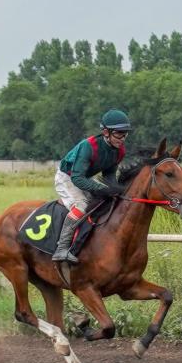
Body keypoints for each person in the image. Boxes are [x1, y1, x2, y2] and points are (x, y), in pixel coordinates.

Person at [51, 109, 132, 263]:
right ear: (106, 132)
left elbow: (109, 175)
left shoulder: (119, 151)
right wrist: (102, 189)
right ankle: (61, 248)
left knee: (107, 203)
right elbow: (77, 178)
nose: (122, 138)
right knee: (82, 206)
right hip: (67, 177)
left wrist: (113, 190)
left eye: (125, 134)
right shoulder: (88, 146)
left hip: (83, 177)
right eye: (119, 133)